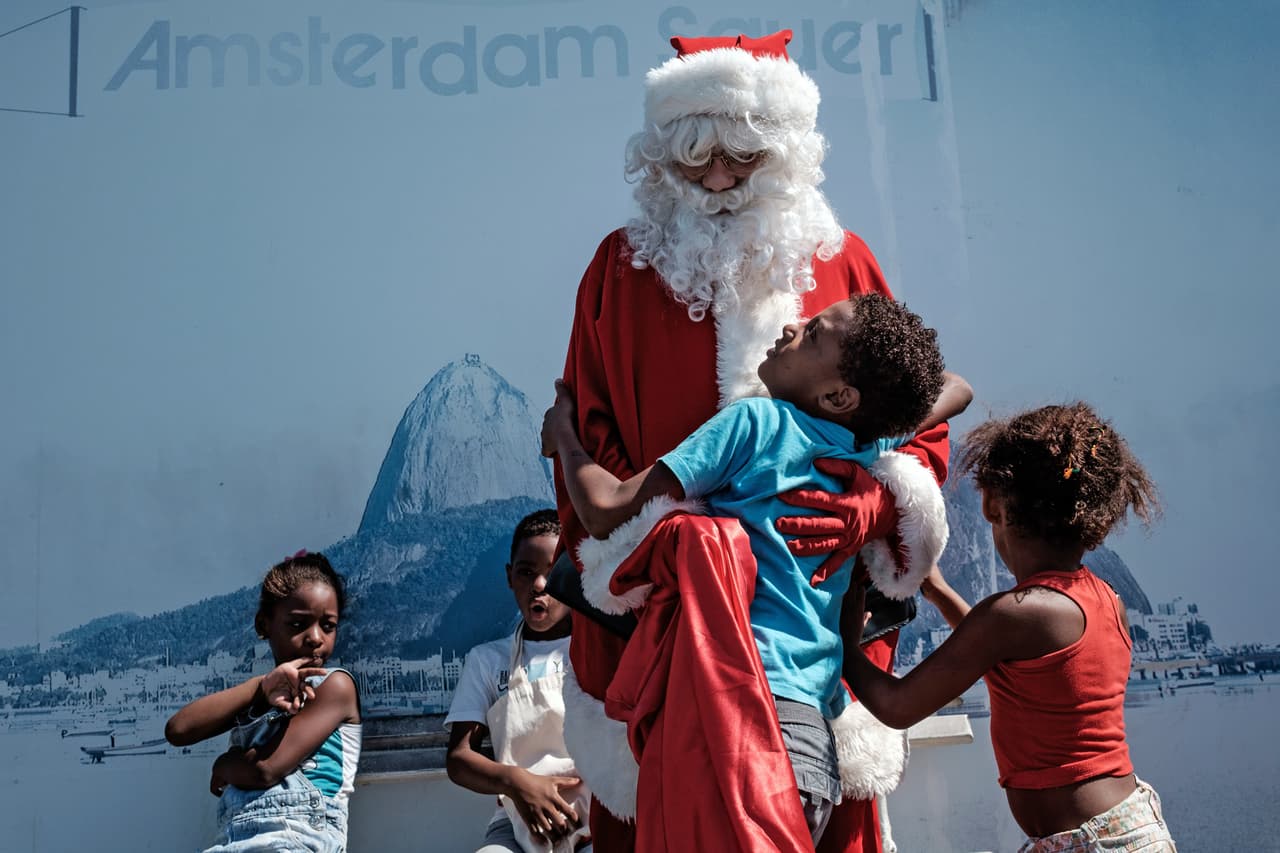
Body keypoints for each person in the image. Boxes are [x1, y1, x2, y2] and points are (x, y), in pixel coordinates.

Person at [553, 28, 951, 853]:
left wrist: (871, 504)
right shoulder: (616, 270)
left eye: (744, 157)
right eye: (693, 158)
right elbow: (589, 425)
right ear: (658, 158)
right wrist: (679, 552)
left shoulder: (846, 269)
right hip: (673, 620)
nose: (720, 179)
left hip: (815, 630)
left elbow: (919, 414)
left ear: (791, 151)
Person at [543, 294, 970, 846]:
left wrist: (566, 439)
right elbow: (958, 388)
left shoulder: (757, 423)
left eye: (814, 334)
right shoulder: (866, 442)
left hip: (734, 722)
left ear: (840, 394)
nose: (791, 325)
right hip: (810, 741)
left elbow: (605, 508)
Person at [843, 403, 1177, 852]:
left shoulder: (1012, 616)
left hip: (1089, 844)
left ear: (990, 504)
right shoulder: (1102, 599)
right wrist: (939, 590)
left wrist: (843, 639)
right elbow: (1004, 657)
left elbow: (897, 706)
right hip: (1124, 827)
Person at [164, 551, 362, 852]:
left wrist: (223, 764)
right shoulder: (261, 695)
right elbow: (179, 730)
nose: (315, 638)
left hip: (294, 841)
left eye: (328, 625)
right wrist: (261, 687)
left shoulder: (334, 686)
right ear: (263, 625)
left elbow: (265, 769)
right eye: (298, 625)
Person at [445, 509, 593, 853]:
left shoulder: (595, 653)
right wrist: (517, 782)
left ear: (575, 576)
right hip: (513, 822)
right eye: (527, 573)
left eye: (552, 573)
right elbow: (458, 758)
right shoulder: (487, 661)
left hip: (590, 821)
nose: (539, 585)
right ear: (510, 577)